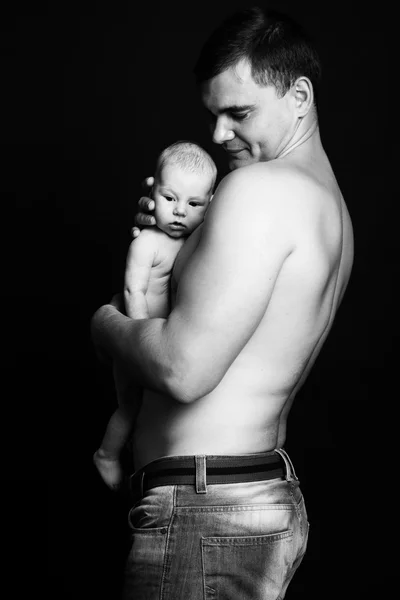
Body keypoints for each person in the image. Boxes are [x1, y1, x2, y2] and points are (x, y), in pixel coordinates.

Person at [91, 6, 354, 599]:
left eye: (239, 113)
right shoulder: (328, 207)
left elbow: (183, 369)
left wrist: (105, 323)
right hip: (244, 504)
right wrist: (170, 251)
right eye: (213, 115)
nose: (218, 135)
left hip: (208, 512)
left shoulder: (258, 191)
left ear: (300, 96)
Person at [93, 140, 217, 490]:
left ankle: (140, 461)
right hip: (140, 336)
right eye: (169, 198)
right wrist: (140, 334)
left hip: (166, 342)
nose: (179, 211)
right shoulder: (145, 242)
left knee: (154, 410)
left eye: (193, 203)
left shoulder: (197, 241)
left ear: (209, 205)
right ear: (153, 191)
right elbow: (133, 290)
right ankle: (106, 454)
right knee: (130, 406)